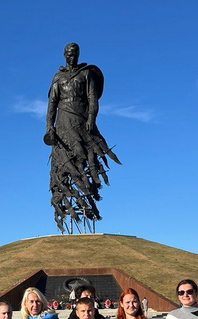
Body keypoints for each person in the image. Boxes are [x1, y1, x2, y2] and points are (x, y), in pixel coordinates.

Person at [45, 42, 121, 231]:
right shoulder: (58, 77)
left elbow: (92, 99)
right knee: (63, 164)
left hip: (81, 120)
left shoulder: (86, 74)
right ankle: (67, 208)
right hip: (63, 124)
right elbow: (52, 104)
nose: (72, 56)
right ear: (64, 55)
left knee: (84, 157)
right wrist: (49, 126)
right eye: (69, 53)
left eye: (75, 53)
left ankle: (89, 197)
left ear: (78, 54)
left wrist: (91, 119)